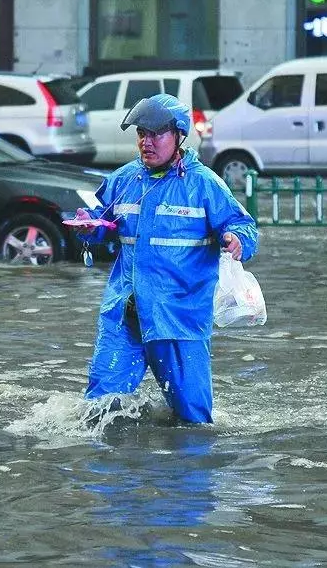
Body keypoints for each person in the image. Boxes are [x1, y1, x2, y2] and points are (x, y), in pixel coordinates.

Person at [77, 93, 259, 424]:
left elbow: (242, 226)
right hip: (125, 315)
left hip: (179, 320)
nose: (146, 142)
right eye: (141, 134)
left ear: (177, 136)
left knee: (193, 423)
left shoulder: (204, 184)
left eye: (155, 134)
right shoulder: (124, 179)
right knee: (98, 413)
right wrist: (90, 226)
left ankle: (183, 474)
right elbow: (101, 218)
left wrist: (237, 240)